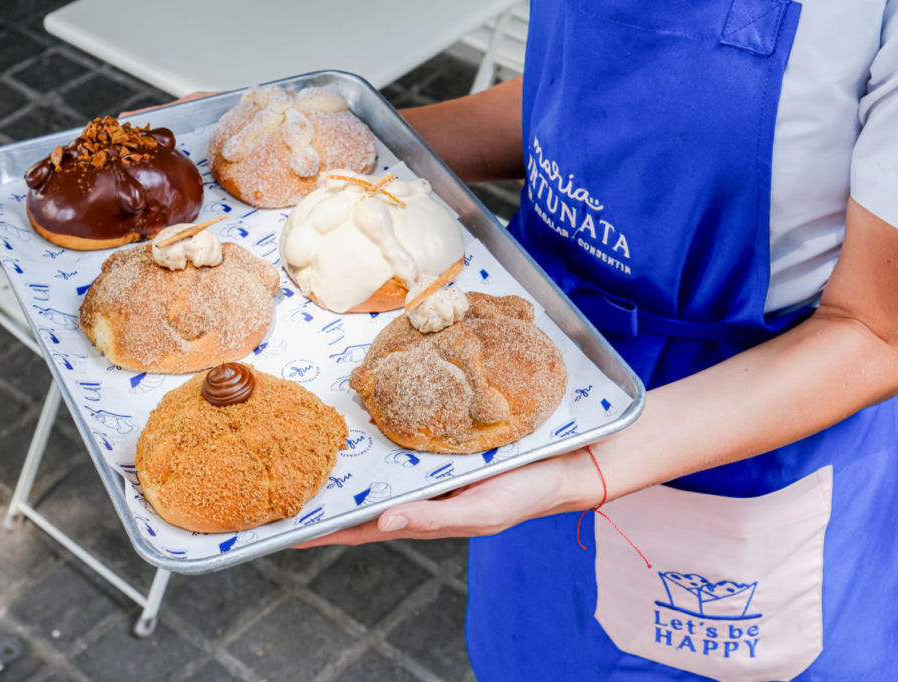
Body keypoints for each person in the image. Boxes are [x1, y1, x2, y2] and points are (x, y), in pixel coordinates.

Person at [300, 0, 898, 679]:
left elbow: (875, 330)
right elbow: (580, 103)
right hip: (529, 377)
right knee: (533, 650)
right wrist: (340, 149)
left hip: (743, 429)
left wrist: (578, 469)